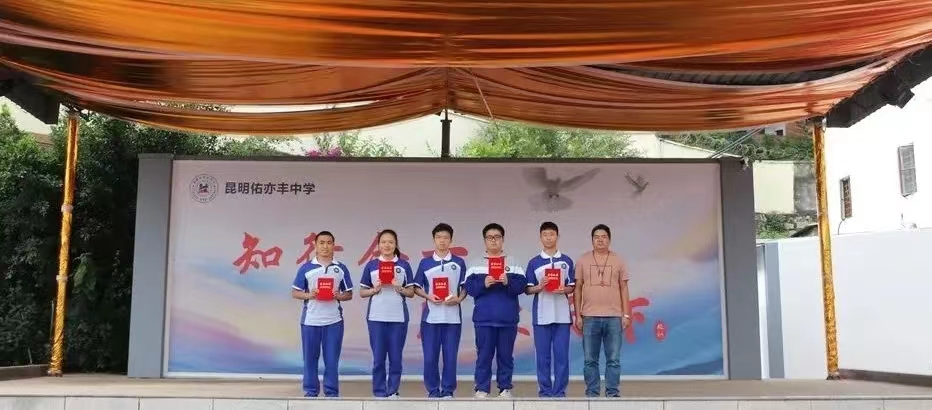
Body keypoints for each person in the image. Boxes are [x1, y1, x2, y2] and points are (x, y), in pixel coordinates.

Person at [463, 223, 528, 398]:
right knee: (483, 355)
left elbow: (522, 286)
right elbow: (469, 288)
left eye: (497, 237)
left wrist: (508, 281)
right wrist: (483, 283)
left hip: (508, 318)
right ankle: (482, 388)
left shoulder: (513, 262)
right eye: (490, 237)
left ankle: (505, 388)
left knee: (506, 356)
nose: (494, 241)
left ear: (503, 239)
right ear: (485, 240)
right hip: (484, 319)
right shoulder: (475, 264)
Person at [291, 231, 354, 398]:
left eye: (329, 242)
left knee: (332, 360)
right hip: (310, 321)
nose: (325, 246)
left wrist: (338, 295)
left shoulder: (341, 268)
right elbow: (295, 292)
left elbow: (349, 294)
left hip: (334, 321)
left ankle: (331, 393)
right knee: (310, 359)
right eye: (322, 242)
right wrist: (309, 295)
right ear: (315, 245)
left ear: (334, 245)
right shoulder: (306, 268)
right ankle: (311, 392)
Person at [574, 224, 632, 398]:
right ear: (592, 240)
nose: (600, 240)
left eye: (604, 236)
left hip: (614, 317)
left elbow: (624, 288)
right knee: (589, 360)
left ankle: (612, 394)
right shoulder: (583, 260)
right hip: (589, 317)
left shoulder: (618, 260)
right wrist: (578, 315)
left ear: (609, 239)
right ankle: (592, 394)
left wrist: (626, 314)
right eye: (596, 237)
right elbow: (577, 288)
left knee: (613, 359)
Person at [413, 223, 468, 398]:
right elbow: (416, 287)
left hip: (453, 318)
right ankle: (433, 390)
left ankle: (448, 390)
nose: (442, 241)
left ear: (451, 240)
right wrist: (428, 296)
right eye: (438, 237)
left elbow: (465, 287)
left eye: (445, 237)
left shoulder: (459, 262)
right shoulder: (425, 263)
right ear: (433, 240)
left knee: (450, 357)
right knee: (430, 357)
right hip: (430, 319)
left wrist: (459, 299)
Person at [359, 229, 416, 398]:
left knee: (396, 357)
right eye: (383, 242)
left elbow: (411, 292)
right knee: (378, 358)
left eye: (391, 242)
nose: (387, 245)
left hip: (398, 317)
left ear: (396, 244)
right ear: (378, 245)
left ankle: (393, 391)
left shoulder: (403, 265)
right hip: (376, 317)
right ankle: (379, 391)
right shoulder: (371, 265)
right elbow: (362, 292)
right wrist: (374, 290)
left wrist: (399, 288)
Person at [524, 221, 575, 398]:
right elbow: (527, 289)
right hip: (541, 316)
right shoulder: (534, 262)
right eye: (545, 234)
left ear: (557, 236)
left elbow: (572, 286)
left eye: (552, 234)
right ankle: (545, 391)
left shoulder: (566, 261)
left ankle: (560, 391)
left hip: (562, 316)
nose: (548, 238)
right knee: (543, 356)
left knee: (561, 356)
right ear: (540, 237)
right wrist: (539, 286)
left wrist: (564, 289)